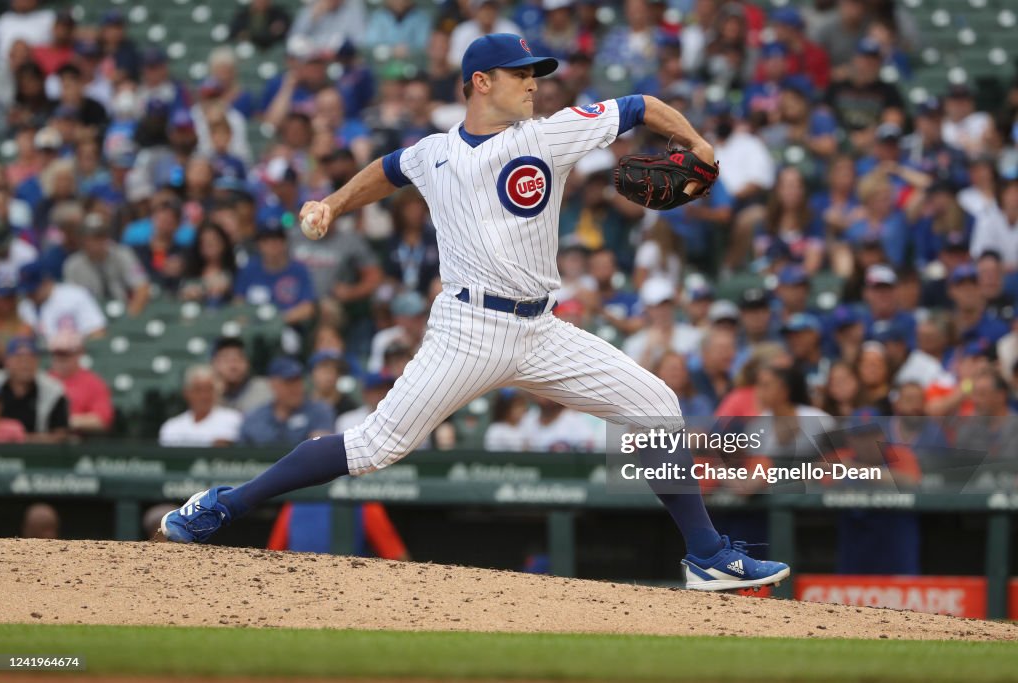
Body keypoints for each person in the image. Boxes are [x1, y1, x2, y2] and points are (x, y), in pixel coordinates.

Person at [160, 33, 790, 592]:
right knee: (377, 445)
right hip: (468, 328)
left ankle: (706, 556)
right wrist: (331, 202)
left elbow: (643, 106)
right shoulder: (433, 152)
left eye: (535, 73)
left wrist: (699, 144)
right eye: (521, 74)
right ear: (480, 83)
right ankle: (222, 504)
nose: (533, 83)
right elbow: (385, 172)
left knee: (655, 405)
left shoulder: (550, 133)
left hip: (542, 329)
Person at [63, 213, 149, 315]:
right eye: (92, 237)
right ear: (82, 240)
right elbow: (70, 301)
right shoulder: (73, 265)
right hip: (91, 316)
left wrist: (131, 315)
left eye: (101, 236)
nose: (97, 242)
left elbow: (142, 287)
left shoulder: (122, 253)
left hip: (123, 309)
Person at [240, 357, 334, 446]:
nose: (296, 388)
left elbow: (321, 449)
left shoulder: (319, 411)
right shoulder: (255, 418)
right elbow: (241, 456)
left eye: (298, 381)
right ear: (273, 384)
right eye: (289, 382)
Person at [0, 336, 69, 443]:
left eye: (30, 359)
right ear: (7, 361)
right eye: (19, 359)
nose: (25, 364)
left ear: (37, 361)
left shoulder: (53, 389)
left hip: (38, 454)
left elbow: (61, 434)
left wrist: (20, 439)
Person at [16, 260, 106, 341]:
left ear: (47, 282)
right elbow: (24, 337)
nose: (29, 295)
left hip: (77, 353)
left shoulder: (75, 295)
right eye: (27, 292)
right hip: (44, 355)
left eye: (33, 291)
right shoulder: (25, 306)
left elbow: (97, 332)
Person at [46, 330, 113, 435]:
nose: (62, 359)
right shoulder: (43, 380)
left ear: (78, 354)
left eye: (67, 354)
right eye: (58, 354)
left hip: (79, 443)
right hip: (44, 440)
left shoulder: (93, 383)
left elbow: (102, 419)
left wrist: (65, 421)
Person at [159, 365, 243, 447]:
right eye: (198, 390)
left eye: (209, 389)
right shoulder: (171, 427)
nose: (204, 396)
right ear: (186, 393)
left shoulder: (234, 420)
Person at [211, 337, 273, 415]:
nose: (233, 366)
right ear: (215, 364)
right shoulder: (207, 395)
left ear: (247, 363)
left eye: (237, 360)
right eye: (226, 361)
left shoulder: (266, 389)